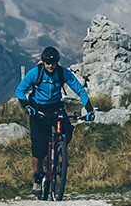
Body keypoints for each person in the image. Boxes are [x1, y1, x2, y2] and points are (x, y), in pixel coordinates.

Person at [15, 46, 94, 196]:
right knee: (38, 147)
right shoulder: (35, 73)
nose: (50, 66)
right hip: (38, 109)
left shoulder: (63, 73)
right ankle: (38, 177)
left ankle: (59, 152)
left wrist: (90, 109)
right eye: (47, 63)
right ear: (43, 63)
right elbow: (19, 91)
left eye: (53, 63)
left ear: (57, 62)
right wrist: (27, 107)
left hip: (56, 107)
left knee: (68, 130)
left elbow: (79, 90)